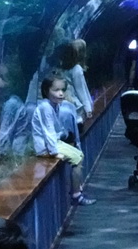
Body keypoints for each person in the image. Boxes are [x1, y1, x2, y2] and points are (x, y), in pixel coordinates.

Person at [31, 75, 96, 205]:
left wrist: (64, 135)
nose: (61, 93)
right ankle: (76, 195)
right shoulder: (45, 107)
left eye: (63, 90)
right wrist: (54, 152)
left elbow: (56, 128)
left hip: (52, 142)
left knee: (78, 154)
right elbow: (48, 132)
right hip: (44, 147)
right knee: (77, 158)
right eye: (56, 90)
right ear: (46, 91)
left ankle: (78, 189)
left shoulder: (54, 105)